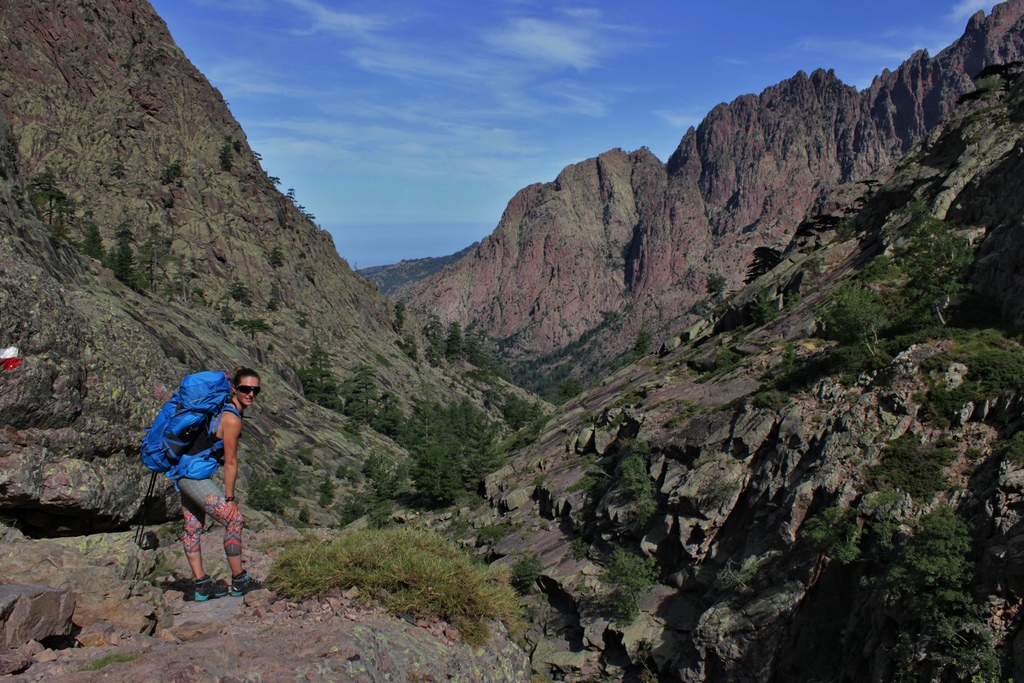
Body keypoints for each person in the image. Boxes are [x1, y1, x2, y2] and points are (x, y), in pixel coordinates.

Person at [178, 366, 263, 600]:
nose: (251, 394)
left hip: (185, 473)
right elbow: (231, 462)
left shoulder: (222, 407)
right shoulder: (231, 419)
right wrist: (230, 498)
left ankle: (202, 585)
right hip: (193, 477)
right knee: (234, 520)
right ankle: (239, 580)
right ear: (234, 388)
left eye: (256, 390)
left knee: (193, 528)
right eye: (246, 389)